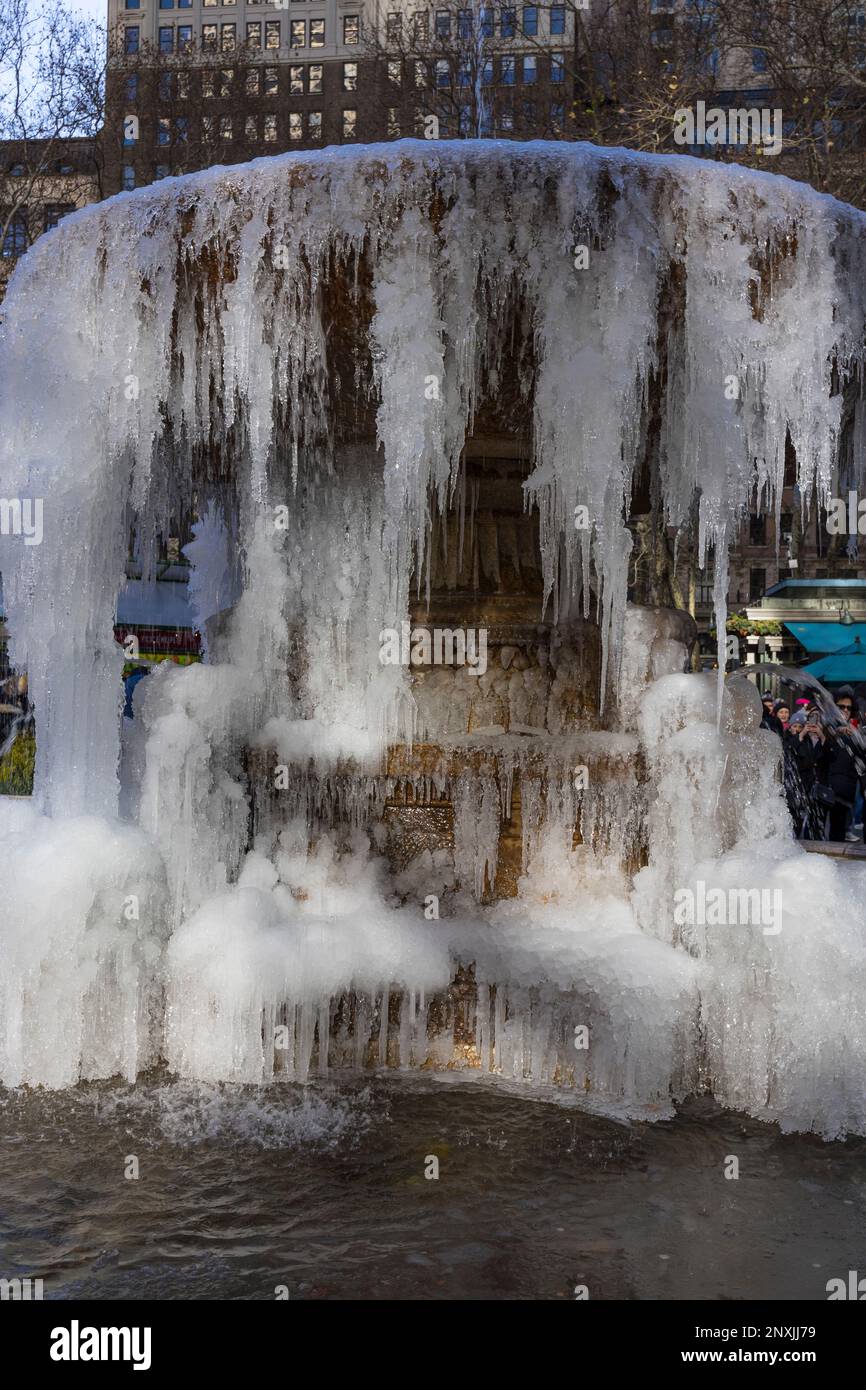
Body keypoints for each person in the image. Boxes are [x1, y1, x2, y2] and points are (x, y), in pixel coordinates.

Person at [815, 693, 863, 841]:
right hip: (825, 790)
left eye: (849, 707)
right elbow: (818, 758)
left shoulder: (855, 734)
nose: (845, 710)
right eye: (841, 706)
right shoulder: (825, 729)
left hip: (845, 793)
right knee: (819, 834)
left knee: (838, 836)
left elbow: (860, 764)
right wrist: (833, 735)